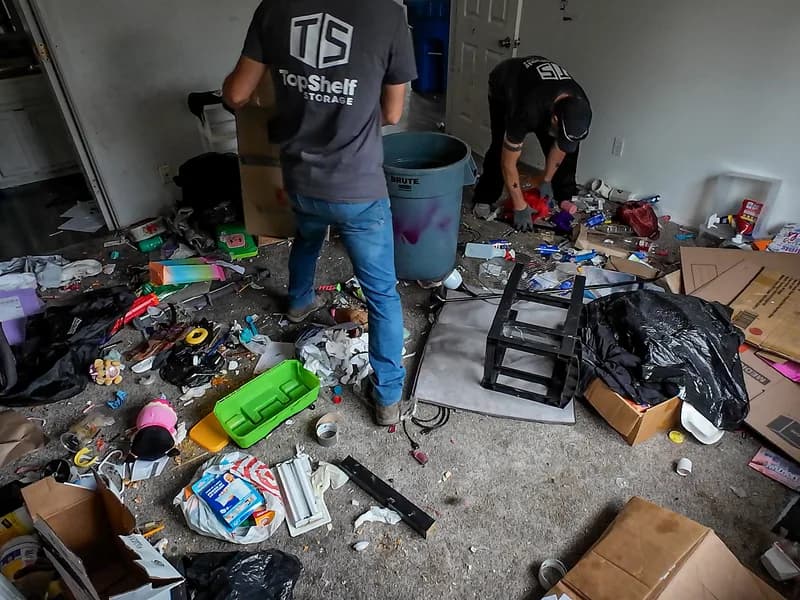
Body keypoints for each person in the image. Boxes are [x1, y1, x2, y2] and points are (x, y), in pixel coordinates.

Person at [223, 1, 417, 425]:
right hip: (358, 188)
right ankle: (387, 398)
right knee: (381, 295)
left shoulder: (275, 8)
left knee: (309, 235)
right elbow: (392, 112)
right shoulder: (387, 14)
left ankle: (298, 302)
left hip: (301, 180)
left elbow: (235, 95)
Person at [472, 56, 592, 232]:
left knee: (568, 148)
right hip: (504, 83)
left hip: (542, 92)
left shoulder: (580, 106)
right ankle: (485, 196)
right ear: (554, 119)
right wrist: (519, 206)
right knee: (499, 146)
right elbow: (508, 162)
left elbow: (562, 146)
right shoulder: (526, 111)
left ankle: (564, 194)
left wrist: (546, 180)